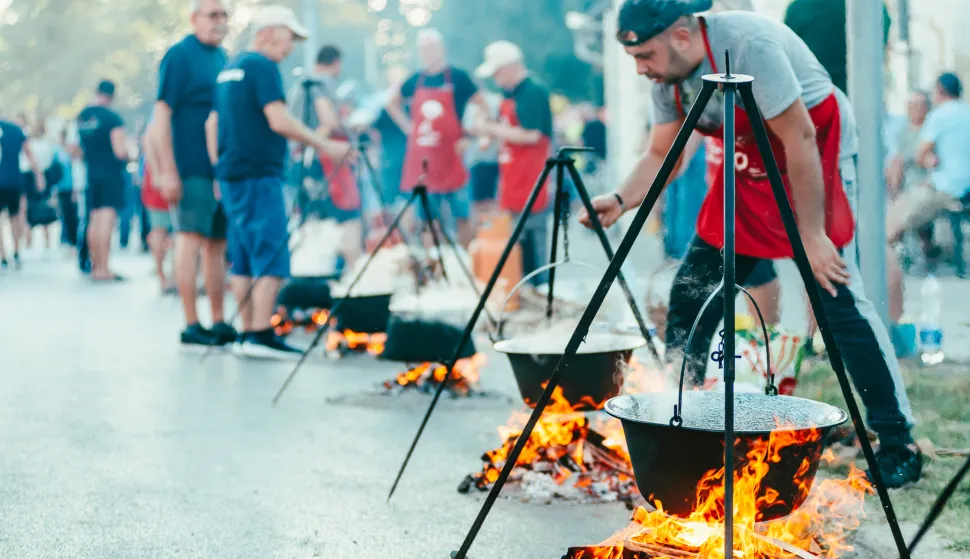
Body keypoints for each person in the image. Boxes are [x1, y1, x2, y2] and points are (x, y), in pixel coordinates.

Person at [580, 0, 920, 488]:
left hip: (811, 147)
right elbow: (663, 153)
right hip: (747, 160)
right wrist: (620, 198)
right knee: (691, 296)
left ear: (680, 35)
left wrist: (811, 236)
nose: (641, 69)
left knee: (837, 302)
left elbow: (800, 135)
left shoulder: (748, 45)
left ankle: (897, 443)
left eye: (645, 56)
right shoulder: (670, 78)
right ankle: (680, 420)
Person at [210, 4, 353, 359]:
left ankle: (247, 333)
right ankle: (260, 333)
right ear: (269, 32)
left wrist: (219, 168)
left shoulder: (230, 69)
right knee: (271, 251)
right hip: (260, 174)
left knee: (242, 256)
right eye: (289, 38)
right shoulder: (263, 66)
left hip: (232, 174)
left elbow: (211, 124)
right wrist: (324, 144)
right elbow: (279, 119)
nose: (290, 48)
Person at [150, 0, 235, 349]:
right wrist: (168, 170)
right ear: (195, 18)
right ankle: (190, 322)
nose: (219, 22)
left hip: (219, 169)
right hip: (188, 167)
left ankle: (216, 319)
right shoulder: (180, 55)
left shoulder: (223, 57)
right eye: (212, 15)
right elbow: (161, 115)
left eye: (224, 16)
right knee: (188, 239)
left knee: (216, 245)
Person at [385, 28, 488, 246]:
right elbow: (390, 103)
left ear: (442, 48)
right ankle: (434, 267)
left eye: (432, 47)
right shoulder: (414, 80)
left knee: (462, 215)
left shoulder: (459, 77)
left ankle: (465, 262)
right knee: (428, 219)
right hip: (425, 160)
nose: (428, 52)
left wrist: (469, 136)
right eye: (423, 48)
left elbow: (483, 106)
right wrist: (409, 128)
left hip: (453, 157)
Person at [474, 41, 554, 289]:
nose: (496, 80)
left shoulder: (532, 92)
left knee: (534, 245)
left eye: (497, 73)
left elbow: (533, 135)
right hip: (511, 180)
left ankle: (540, 291)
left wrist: (492, 129)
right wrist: (489, 135)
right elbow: (503, 127)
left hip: (532, 179)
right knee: (516, 244)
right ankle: (521, 291)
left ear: (509, 67)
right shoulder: (509, 95)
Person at [287, 44, 360, 269]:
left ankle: (311, 276)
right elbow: (328, 120)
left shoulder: (297, 87)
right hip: (326, 167)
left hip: (300, 165)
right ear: (336, 62)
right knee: (347, 219)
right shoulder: (320, 84)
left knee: (309, 222)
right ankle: (351, 277)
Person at [896, 73, 970, 279]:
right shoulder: (967, 112)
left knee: (900, 214)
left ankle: (905, 257)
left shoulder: (939, 116)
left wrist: (930, 160)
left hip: (947, 189)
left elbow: (921, 155)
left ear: (940, 91)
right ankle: (932, 250)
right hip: (967, 188)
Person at [75, 80, 132, 282]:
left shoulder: (83, 116)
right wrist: (129, 154)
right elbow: (120, 151)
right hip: (110, 175)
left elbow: (77, 149)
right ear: (112, 96)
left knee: (93, 220)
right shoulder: (112, 118)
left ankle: (95, 265)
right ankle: (104, 268)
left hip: (90, 174)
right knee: (106, 220)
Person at [783, 0, 891, 95]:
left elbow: (786, 63)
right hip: (866, 105)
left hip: (814, 106)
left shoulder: (799, 8)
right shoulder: (876, 8)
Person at [0, 117, 44, 269]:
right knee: (15, 217)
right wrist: (39, 175)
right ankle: (16, 251)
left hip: (10, 180)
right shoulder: (15, 130)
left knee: (11, 218)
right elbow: (29, 154)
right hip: (13, 180)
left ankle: (3, 255)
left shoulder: (14, 130)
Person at [142, 126, 177, 295]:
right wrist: (157, 175)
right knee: (160, 231)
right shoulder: (156, 127)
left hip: (166, 180)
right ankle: (163, 276)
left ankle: (168, 275)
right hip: (162, 182)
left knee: (166, 232)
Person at [53, 128, 78, 250]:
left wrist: (76, 188)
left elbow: (75, 170)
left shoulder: (72, 151)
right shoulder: (57, 151)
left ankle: (72, 240)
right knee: (64, 213)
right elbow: (53, 171)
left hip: (72, 186)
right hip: (61, 187)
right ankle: (66, 239)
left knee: (72, 213)